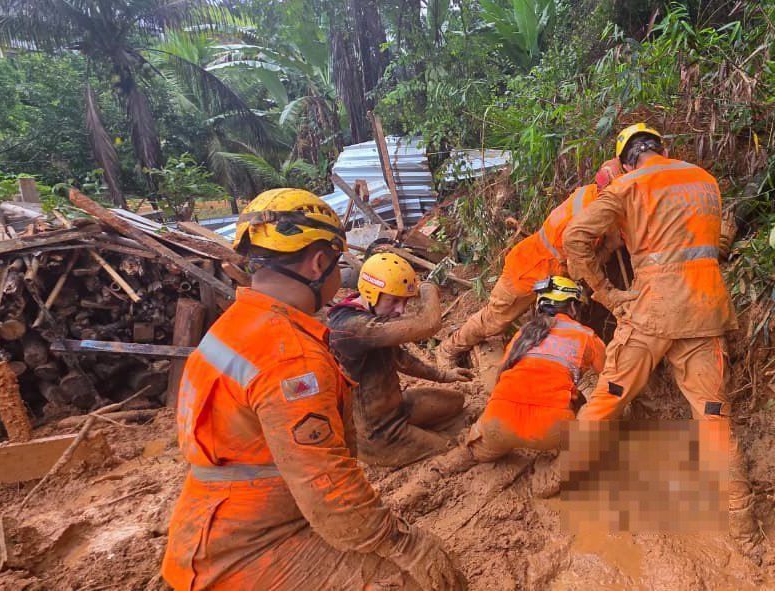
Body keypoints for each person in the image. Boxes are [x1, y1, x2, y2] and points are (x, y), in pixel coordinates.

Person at [161, 188, 465, 590]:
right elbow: (327, 488)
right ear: (320, 262)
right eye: (338, 263)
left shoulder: (234, 328)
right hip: (248, 552)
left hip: (211, 527)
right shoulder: (292, 359)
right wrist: (406, 544)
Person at [561, 123, 758, 546]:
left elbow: (574, 237)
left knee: (608, 396)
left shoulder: (628, 185)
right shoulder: (705, 180)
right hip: (705, 314)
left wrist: (609, 296)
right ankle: (743, 523)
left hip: (649, 314)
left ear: (625, 159)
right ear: (659, 148)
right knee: (712, 416)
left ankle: (573, 477)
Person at [435, 158, 623, 366]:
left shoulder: (590, 195)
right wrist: (609, 250)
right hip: (528, 269)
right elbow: (578, 267)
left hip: (549, 270)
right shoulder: (586, 216)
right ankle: (448, 350)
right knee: (494, 320)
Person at [325, 252, 472, 468]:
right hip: (378, 433)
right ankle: (394, 449)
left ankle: (418, 434)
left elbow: (400, 359)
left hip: (397, 408)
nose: (400, 310)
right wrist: (428, 287)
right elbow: (429, 324)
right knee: (450, 448)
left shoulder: (371, 320)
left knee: (456, 402)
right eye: (394, 300)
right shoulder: (351, 327)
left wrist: (443, 375)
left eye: (404, 302)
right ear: (371, 293)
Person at [461, 275, 604, 464]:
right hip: (550, 430)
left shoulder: (523, 334)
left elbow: (502, 375)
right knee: (595, 407)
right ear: (571, 306)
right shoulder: (586, 336)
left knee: (473, 451)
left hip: (498, 421)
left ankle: (448, 464)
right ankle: (555, 473)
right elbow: (614, 375)